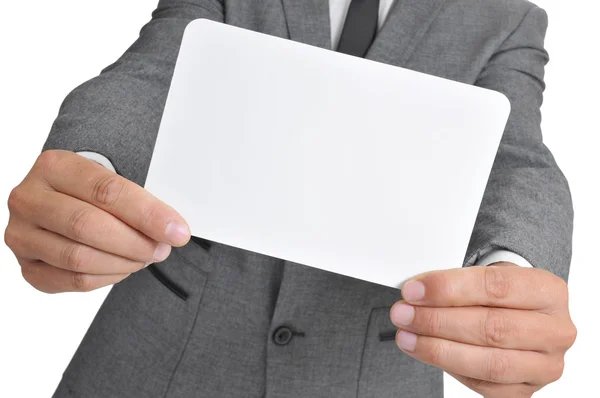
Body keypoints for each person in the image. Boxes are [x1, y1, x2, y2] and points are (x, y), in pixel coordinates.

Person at [4, 0, 576, 397]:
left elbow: (518, 156)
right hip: (157, 360)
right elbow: (153, 72)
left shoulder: (506, 19)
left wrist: (510, 275)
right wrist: (93, 168)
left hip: (366, 374)